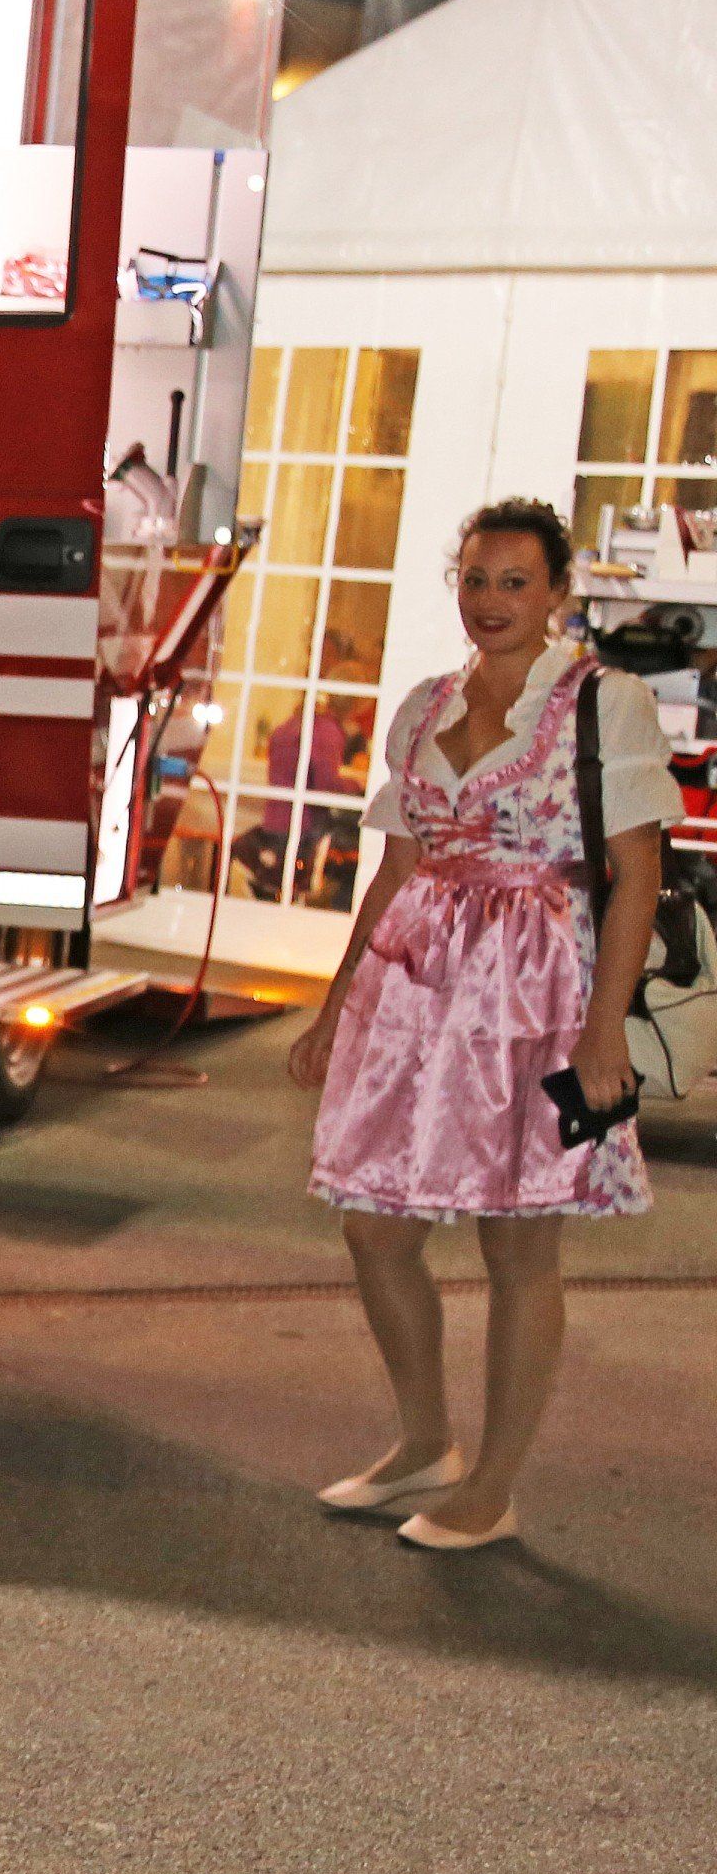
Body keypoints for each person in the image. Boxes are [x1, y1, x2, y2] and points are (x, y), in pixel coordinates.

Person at [289, 499, 673, 1551]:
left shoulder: (605, 703)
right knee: (373, 1227)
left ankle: (491, 1484)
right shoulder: (420, 705)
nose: (490, 601)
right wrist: (334, 1010)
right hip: (413, 996)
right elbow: (395, 870)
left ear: (555, 592)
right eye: (472, 579)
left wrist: (604, 1032)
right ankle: (423, 1442)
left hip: (537, 997)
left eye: (513, 582)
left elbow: (635, 875)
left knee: (516, 1244)